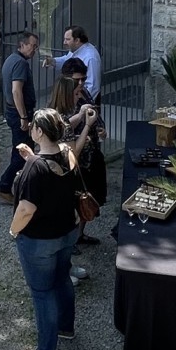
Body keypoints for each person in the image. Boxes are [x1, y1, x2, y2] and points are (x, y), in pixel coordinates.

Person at [9, 106, 97, 350]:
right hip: (67, 231)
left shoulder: (36, 167)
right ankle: (65, 328)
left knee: (42, 292)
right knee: (61, 280)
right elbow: (56, 173)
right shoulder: (68, 154)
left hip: (40, 239)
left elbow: (26, 209)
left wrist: (14, 230)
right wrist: (31, 158)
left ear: (38, 131)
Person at [49, 73, 107, 245]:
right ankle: (70, 243)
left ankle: (75, 239)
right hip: (67, 171)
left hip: (64, 169)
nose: (78, 97)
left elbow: (68, 125)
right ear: (67, 95)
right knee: (73, 208)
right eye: (75, 94)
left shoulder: (52, 114)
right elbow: (74, 149)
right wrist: (87, 126)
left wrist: (81, 115)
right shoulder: (60, 120)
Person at [0, 31, 39, 202]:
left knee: (21, 149)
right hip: (19, 113)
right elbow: (16, 90)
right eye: (32, 46)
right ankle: (4, 186)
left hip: (12, 110)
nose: (34, 50)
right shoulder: (20, 63)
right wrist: (23, 117)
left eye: (36, 47)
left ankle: (16, 185)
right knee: (22, 152)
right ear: (22, 44)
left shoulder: (11, 59)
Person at [44, 26, 103, 104]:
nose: (64, 42)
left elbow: (93, 86)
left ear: (77, 40)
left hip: (82, 102)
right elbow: (66, 60)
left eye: (67, 39)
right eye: (64, 39)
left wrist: (82, 104)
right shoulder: (76, 49)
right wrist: (53, 61)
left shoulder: (90, 57)